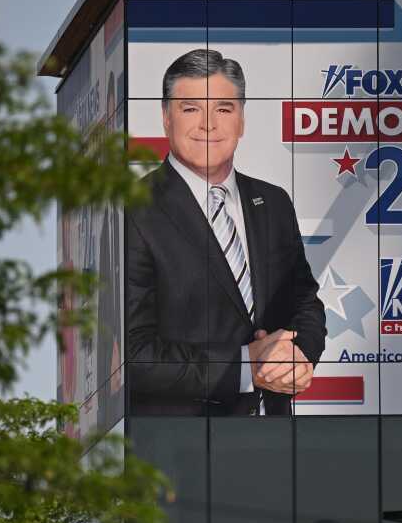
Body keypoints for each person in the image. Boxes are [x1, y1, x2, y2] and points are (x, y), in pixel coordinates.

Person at [125, 49, 326, 416]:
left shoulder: (273, 202)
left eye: (223, 108)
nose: (208, 124)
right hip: (178, 448)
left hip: (275, 438)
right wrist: (245, 368)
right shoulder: (133, 211)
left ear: (242, 120)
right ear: (166, 118)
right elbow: (133, 354)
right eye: (191, 109)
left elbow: (305, 302)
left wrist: (297, 352)